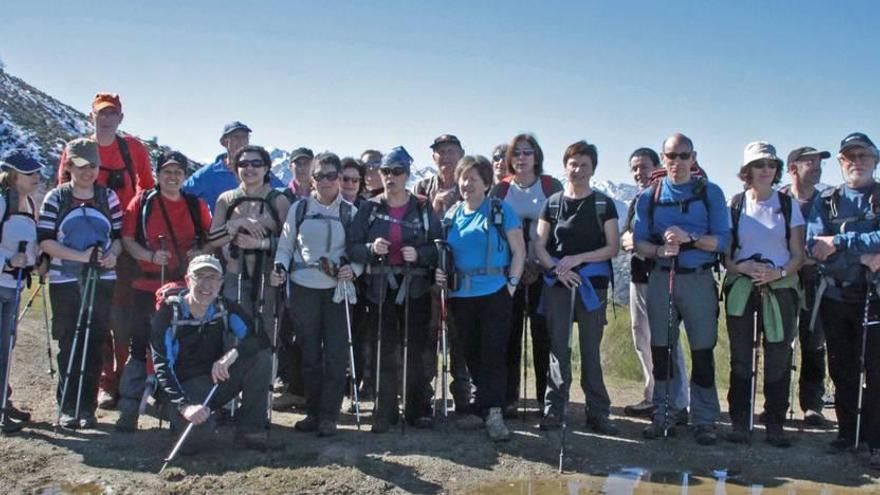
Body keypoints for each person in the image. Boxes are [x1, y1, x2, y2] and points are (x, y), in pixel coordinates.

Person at [57, 93, 155, 411]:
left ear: (121, 118)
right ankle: (103, 383)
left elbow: (147, 187)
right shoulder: (77, 149)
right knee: (92, 316)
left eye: (112, 114)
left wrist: (133, 224)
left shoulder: (134, 148)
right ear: (92, 117)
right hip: (82, 246)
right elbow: (62, 189)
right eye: (102, 114)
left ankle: (125, 381)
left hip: (121, 244)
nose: (107, 119)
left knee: (121, 317)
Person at [633, 132, 730, 445]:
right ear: (664, 159)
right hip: (662, 276)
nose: (677, 162)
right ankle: (664, 414)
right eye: (672, 156)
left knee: (702, 350)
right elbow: (638, 242)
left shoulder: (710, 193)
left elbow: (723, 241)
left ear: (694, 157)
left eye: (684, 156)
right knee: (662, 350)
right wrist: (661, 250)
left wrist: (689, 239)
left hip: (699, 278)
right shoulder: (649, 196)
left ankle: (704, 419)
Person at [115, 151, 212, 432]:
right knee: (140, 347)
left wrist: (198, 252)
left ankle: (175, 411)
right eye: (167, 171)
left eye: (178, 172)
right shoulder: (143, 202)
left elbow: (207, 241)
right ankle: (129, 409)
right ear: (158, 174)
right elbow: (127, 239)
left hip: (183, 290)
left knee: (178, 351)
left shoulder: (195, 205)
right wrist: (147, 255)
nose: (173, 176)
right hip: (146, 287)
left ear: (185, 176)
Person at [347, 146, 441, 433]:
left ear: (407, 174)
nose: (390, 177)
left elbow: (438, 247)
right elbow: (352, 247)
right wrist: (370, 249)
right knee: (382, 349)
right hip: (380, 288)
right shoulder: (369, 208)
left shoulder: (424, 208)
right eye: (386, 171)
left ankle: (417, 408)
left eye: (397, 171)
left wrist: (422, 255)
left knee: (417, 349)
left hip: (416, 287)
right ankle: (384, 408)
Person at [435, 155, 525, 441]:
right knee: (470, 352)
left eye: (474, 179)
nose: (467, 183)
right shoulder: (452, 215)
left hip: (494, 293)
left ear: (487, 183)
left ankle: (494, 412)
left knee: (493, 354)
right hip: (460, 295)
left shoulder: (500, 210)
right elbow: (445, 255)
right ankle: (482, 406)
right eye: (463, 178)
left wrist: (510, 286)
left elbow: (519, 251)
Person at [272, 152, 362, 437]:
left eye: (332, 175)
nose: (326, 181)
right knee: (309, 353)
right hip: (303, 288)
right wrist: (280, 267)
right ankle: (313, 412)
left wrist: (355, 270)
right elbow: (286, 246)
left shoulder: (350, 212)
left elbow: (360, 250)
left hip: (337, 289)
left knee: (336, 354)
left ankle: (328, 416)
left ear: (340, 178)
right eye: (320, 175)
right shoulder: (299, 209)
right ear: (311, 178)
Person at [151, 255, 279, 453]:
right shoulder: (169, 314)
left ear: (221, 283)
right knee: (198, 443)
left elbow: (260, 339)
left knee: (260, 359)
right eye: (200, 276)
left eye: (213, 278)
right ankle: (184, 422)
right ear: (188, 280)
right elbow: (162, 368)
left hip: (214, 383)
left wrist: (233, 354)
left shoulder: (224, 308)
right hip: (180, 390)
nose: (206, 284)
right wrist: (185, 407)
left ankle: (250, 430)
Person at [534, 140, 620, 435]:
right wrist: (558, 269)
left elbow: (612, 248)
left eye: (584, 164)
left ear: (593, 168)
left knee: (590, 351)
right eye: (574, 164)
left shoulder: (602, 204)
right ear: (565, 166)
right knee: (558, 349)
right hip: (559, 284)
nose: (578, 170)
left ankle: (597, 412)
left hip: (591, 286)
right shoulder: (553, 203)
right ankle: (554, 410)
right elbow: (539, 245)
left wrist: (577, 260)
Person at [722, 142, 804, 448]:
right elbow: (727, 259)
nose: (766, 170)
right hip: (743, 288)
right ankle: (741, 422)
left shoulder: (787, 205)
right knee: (741, 358)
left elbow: (798, 255)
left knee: (778, 357)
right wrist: (742, 267)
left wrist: (777, 273)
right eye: (759, 165)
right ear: (747, 171)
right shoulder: (736, 204)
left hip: (779, 288)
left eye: (771, 164)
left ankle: (775, 423)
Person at [39, 138, 123, 429]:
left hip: (101, 278)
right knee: (69, 342)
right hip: (66, 280)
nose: (88, 172)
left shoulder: (108, 197)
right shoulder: (56, 198)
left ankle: (85, 409)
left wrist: (112, 255)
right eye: (81, 165)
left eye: (93, 166)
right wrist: (80, 256)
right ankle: (67, 407)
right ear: (69, 166)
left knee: (95, 342)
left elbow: (118, 238)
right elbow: (46, 241)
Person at [807, 132, 880, 468]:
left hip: (874, 295)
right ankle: (847, 433)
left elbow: (832, 242)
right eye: (850, 157)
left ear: (875, 161)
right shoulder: (827, 200)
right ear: (840, 162)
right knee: (842, 368)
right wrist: (861, 254)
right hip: (836, 295)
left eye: (864, 156)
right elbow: (815, 246)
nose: (857, 162)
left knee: (875, 369)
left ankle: (873, 438)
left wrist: (841, 240)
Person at [489, 134, 563, 417]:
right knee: (509, 335)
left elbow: (559, 227)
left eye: (527, 153)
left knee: (544, 336)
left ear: (536, 156)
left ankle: (548, 400)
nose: (521, 158)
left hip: (544, 272)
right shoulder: (500, 189)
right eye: (516, 153)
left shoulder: (550, 186)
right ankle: (508, 397)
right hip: (511, 271)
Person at [620, 148, 690, 420]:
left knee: (669, 340)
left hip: (665, 275)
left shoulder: (669, 197)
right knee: (642, 336)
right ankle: (653, 394)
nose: (640, 172)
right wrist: (631, 241)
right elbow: (628, 235)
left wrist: (641, 244)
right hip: (640, 275)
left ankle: (679, 400)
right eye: (635, 168)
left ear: (658, 166)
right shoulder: (638, 199)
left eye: (644, 166)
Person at [207, 146, 291, 340]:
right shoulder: (226, 200)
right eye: (243, 164)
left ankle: (265, 370)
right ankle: (233, 371)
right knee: (234, 332)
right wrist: (237, 223)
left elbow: (290, 244)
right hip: (234, 276)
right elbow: (214, 239)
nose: (249, 168)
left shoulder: (279, 201)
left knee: (267, 334)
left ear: (266, 168)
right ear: (236, 169)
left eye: (256, 163)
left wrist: (260, 244)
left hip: (267, 279)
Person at [414, 134, 472, 413]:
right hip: (427, 274)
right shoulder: (422, 187)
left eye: (451, 151)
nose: (446, 156)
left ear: (461, 153)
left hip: (463, 272)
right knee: (428, 335)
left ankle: (463, 397)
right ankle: (423, 397)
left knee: (461, 335)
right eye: (440, 151)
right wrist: (434, 208)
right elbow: (415, 230)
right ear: (433, 157)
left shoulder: (471, 186)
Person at [781, 146, 831, 426]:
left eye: (818, 162)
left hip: (816, 278)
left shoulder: (827, 202)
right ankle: (778, 402)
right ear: (792, 168)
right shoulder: (779, 201)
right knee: (781, 342)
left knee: (814, 342)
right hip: (784, 277)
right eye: (809, 162)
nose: (816, 167)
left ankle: (812, 404)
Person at [0, 153, 41, 434]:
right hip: (3, 280)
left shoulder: (27, 203)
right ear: (14, 175)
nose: (36, 178)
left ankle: (4, 401)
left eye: (37, 173)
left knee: (7, 346)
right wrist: (6, 261)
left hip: (13, 285)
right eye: (30, 174)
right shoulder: (3, 201)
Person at [183, 121, 284, 213]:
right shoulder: (208, 174)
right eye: (236, 137)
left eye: (245, 137)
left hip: (259, 230)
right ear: (224, 142)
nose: (241, 141)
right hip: (220, 230)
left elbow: (282, 192)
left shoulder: (259, 171)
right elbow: (180, 195)